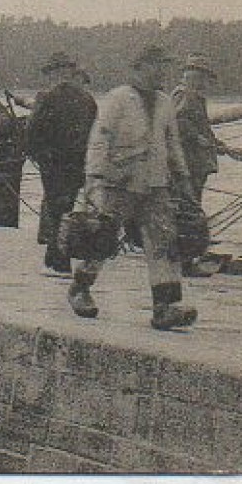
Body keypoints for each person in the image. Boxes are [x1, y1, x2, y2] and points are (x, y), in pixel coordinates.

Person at [67, 44, 198, 330]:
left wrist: (184, 178)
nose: (161, 72)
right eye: (155, 66)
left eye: (163, 66)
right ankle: (80, 288)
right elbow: (99, 140)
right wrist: (94, 181)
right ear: (138, 68)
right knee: (103, 238)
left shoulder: (165, 103)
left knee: (163, 242)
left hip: (155, 185)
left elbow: (172, 143)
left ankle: (164, 308)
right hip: (119, 182)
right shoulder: (117, 99)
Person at [24, 51, 99, 274]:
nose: (61, 75)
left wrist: (35, 153)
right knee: (61, 205)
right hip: (65, 160)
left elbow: (32, 129)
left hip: (63, 160)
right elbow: (33, 131)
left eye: (63, 71)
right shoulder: (85, 99)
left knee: (59, 205)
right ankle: (57, 253)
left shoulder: (53, 97)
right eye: (58, 71)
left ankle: (57, 253)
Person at [172, 53, 242, 276]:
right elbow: (181, 123)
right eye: (200, 75)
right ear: (190, 75)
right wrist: (204, 142)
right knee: (188, 211)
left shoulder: (190, 96)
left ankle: (185, 257)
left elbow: (204, 132)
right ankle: (185, 262)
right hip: (188, 165)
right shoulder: (186, 95)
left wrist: (226, 149)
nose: (203, 81)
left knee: (187, 209)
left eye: (204, 76)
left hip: (193, 164)